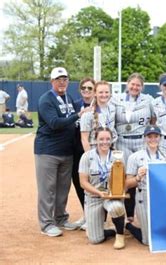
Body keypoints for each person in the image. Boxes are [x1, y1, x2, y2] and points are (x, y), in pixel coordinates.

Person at [34, 67, 92, 237]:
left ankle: (60, 218)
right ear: (52, 81)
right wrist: (78, 115)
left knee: (63, 188)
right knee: (48, 189)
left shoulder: (68, 98)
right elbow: (54, 123)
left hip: (66, 151)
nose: (62, 82)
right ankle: (46, 224)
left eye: (65, 79)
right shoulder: (46, 100)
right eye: (58, 79)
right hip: (48, 151)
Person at [112, 73, 155, 223]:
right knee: (124, 178)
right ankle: (126, 215)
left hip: (141, 142)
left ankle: (148, 213)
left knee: (144, 176)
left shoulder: (148, 99)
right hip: (122, 142)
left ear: (142, 87)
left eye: (138, 85)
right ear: (127, 84)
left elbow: (154, 119)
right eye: (132, 84)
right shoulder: (116, 99)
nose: (135, 87)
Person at [78, 127, 126, 249]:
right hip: (93, 197)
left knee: (117, 207)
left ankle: (120, 235)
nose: (105, 142)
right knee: (95, 239)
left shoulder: (118, 156)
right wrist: (99, 193)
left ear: (112, 140)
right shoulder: (87, 156)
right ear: (95, 140)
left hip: (112, 197)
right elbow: (83, 182)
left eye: (108, 139)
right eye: (101, 139)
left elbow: (123, 179)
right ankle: (110, 230)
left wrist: (118, 192)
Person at [125, 125, 166, 245]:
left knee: (163, 233)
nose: (153, 139)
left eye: (156, 136)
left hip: (161, 195)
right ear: (144, 138)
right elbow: (127, 184)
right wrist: (138, 177)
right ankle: (129, 226)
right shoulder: (135, 157)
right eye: (150, 136)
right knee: (148, 241)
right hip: (143, 194)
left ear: (160, 138)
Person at [71, 77, 96, 230]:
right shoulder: (75, 105)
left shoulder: (99, 106)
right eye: (83, 88)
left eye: (89, 88)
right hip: (76, 151)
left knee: (94, 183)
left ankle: (95, 217)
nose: (86, 91)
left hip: (93, 151)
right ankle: (86, 214)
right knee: (80, 184)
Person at [81, 81, 117, 152]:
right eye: (101, 92)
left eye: (107, 92)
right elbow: (84, 139)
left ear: (110, 93)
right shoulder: (88, 113)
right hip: (95, 150)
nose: (104, 95)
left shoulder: (113, 109)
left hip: (111, 150)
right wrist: (90, 158)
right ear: (95, 93)